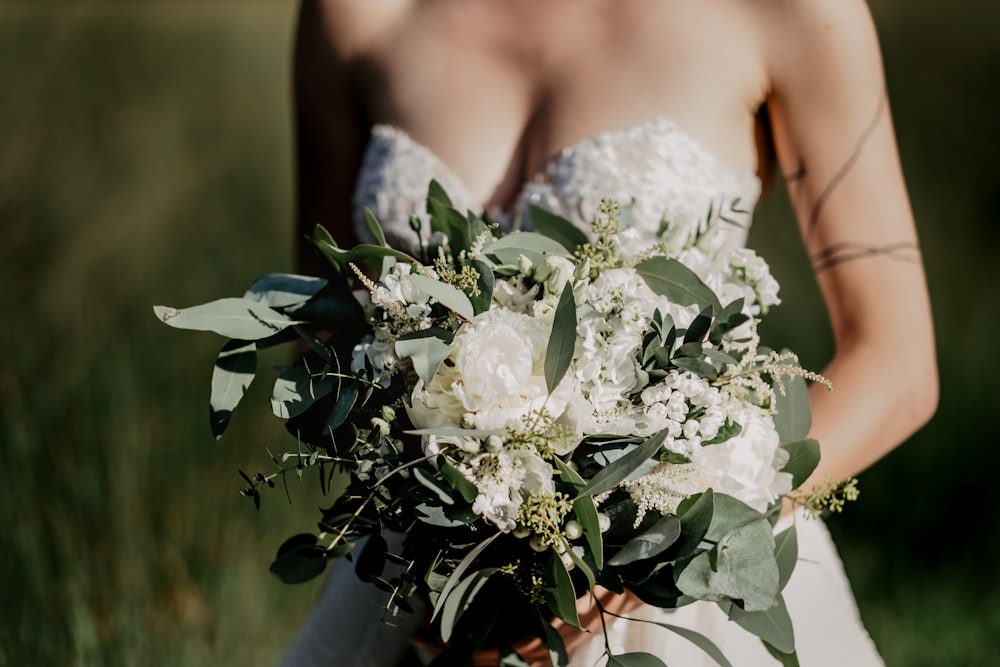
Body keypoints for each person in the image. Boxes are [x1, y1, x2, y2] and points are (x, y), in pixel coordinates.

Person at [283, 0, 938, 665]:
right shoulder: (357, 13)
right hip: (425, 588)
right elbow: (322, 326)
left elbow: (896, 359)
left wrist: (666, 541)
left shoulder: (792, 12)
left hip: (695, 588)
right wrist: (455, 511)